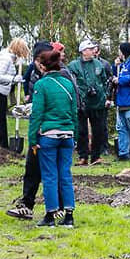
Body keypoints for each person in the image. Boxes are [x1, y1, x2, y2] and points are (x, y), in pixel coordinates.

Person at [28, 50, 78, 228]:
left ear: (43, 66)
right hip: (67, 135)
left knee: (50, 176)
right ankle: (69, 216)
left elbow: (37, 114)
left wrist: (32, 139)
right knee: (65, 175)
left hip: (48, 136)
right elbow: (74, 112)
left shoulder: (41, 85)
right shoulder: (68, 83)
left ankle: (50, 215)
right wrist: (76, 135)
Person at [6, 41, 55, 220]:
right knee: (36, 169)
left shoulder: (53, 78)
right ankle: (31, 205)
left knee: (44, 170)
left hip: (47, 131)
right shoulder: (38, 74)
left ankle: (54, 210)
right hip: (55, 130)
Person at [68, 40, 110, 166]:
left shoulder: (98, 64)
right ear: (83, 51)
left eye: (93, 49)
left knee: (98, 130)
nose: (93, 51)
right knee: (81, 130)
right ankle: (83, 156)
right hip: (82, 103)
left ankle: (96, 156)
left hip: (98, 102)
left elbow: (104, 81)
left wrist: (105, 96)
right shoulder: (74, 65)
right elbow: (72, 83)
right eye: (90, 49)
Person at [0, 38, 30, 148]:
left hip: (2, 90)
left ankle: (0, 143)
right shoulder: (5, 59)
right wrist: (13, 79)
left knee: (0, 117)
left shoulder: (10, 58)